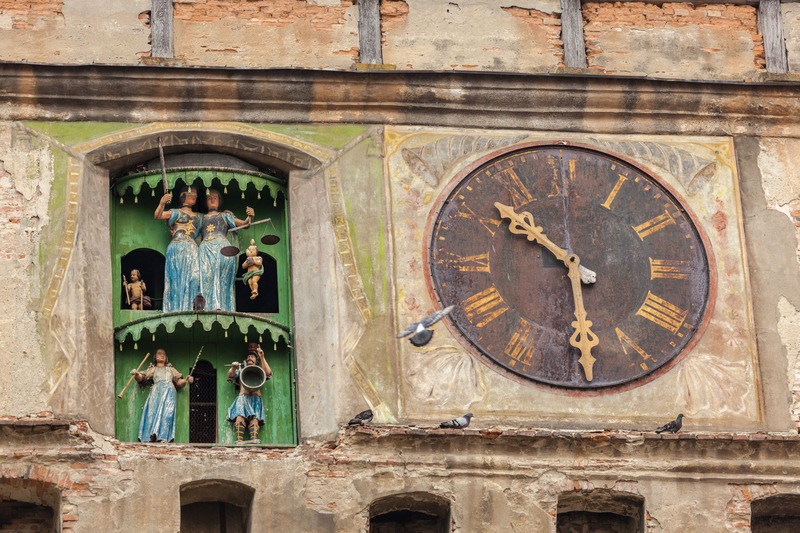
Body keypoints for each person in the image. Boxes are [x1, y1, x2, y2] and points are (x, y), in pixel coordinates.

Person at [197, 189, 254, 311]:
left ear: (219, 201)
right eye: (209, 198)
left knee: (221, 277)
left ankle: (222, 305)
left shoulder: (224, 216)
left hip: (222, 249)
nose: (212, 200)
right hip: (205, 250)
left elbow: (244, 224)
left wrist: (249, 217)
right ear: (205, 201)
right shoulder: (200, 218)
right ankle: (206, 307)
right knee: (206, 277)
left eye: (215, 197)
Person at [154, 187, 202, 312]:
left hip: (192, 248)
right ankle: (176, 308)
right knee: (176, 280)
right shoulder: (176, 212)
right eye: (191, 194)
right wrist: (162, 202)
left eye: (195, 195)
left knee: (195, 277)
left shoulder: (199, 216)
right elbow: (158, 216)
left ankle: (191, 307)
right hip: (177, 247)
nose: (194, 197)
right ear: (183, 197)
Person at [132, 348, 193, 442]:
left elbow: (179, 382)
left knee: (167, 414)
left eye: (164, 354)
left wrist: (186, 380)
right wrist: (136, 374)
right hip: (156, 392)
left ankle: (162, 437)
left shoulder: (171, 369)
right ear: (155, 357)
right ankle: (150, 436)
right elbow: (142, 378)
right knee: (151, 413)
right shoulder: (153, 369)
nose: (162, 355)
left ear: (167, 358)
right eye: (159, 353)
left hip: (169, 392)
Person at [227, 343, 272, 443]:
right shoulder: (242, 369)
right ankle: (239, 440)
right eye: (248, 357)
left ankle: (254, 440)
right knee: (239, 418)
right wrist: (234, 367)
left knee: (254, 420)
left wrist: (262, 356)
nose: (249, 358)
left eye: (252, 356)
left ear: (256, 360)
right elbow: (230, 375)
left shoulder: (259, 370)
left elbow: (268, 373)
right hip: (243, 397)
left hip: (255, 398)